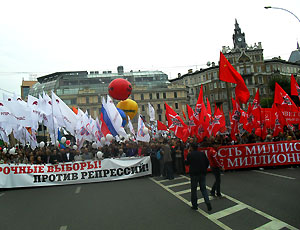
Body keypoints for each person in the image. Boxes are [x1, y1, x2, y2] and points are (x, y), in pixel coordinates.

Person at [185, 143, 212, 211]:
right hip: (202, 173)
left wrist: (187, 155)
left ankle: (195, 205)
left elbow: (187, 163)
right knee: (203, 189)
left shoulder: (190, 154)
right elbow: (207, 162)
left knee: (194, 190)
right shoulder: (202, 154)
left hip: (194, 174)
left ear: (191, 147)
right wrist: (204, 169)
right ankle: (207, 202)